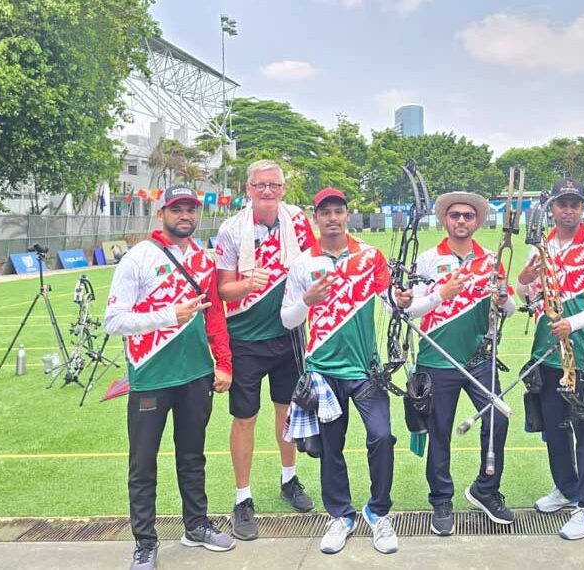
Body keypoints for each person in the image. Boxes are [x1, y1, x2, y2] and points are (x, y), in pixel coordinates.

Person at [104, 185, 235, 570]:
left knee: (192, 456)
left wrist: (223, 362)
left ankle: (196, 525)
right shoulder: (138, 257)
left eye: (191, 209)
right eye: (177, 209)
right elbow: (114, 321)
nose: (185, 215)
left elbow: (214, 315)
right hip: (151, 376)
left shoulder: (204, 259)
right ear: (161, 213)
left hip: (196, 374)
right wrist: (168, 316)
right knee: (143, 464)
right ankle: (145, 542)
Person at [281, 187, 399, 555]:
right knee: (332, 447)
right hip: (323, 371)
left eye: (338, 211)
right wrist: (307, 301)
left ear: (347, 215)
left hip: (366, 370)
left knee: (382, 437)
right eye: (325, 212)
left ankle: (378, 512)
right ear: (316, 217)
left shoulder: (370, 256)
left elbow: (390, 301)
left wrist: (403, 300)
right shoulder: (303, 264)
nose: (332, 218)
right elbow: (288, 320)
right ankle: (340, 516)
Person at [393, 191, 515, 536]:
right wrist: (442, 294)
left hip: (479, 358)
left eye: (468, 216)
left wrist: (502, 298)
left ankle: (485, 490)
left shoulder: (491, 259)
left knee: (497, 419)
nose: (461, 220)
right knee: (439, 432)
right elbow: (409, 310)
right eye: (455, 215)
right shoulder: (428, 260)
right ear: (445, 220)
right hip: (436, 359)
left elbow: (508, 309)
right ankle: (441, 500)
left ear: (477, 221)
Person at [215, 160, 317, 539]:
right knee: (245, 418)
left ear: (284, 189)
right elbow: (223, 290)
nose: (268, 191)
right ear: (249, 189)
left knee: (287, 411)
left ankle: (289, 479)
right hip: (245, 338)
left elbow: (316, 265)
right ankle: (243, 498)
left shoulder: (298, 221)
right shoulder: (231, 229)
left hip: (289, 334)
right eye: (261, 185)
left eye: (274, 185)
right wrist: (247, 285)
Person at [516, 178, 584, 541]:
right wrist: (523, 281)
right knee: (555, 428)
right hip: (546, 353)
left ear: (582, 208)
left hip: (581, 355)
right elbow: (528, 295)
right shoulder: (542, 248)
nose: (568, 210)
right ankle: (566, 487)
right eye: (562, 204)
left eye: (575, 204)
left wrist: (571, 324)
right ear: (553, 209)